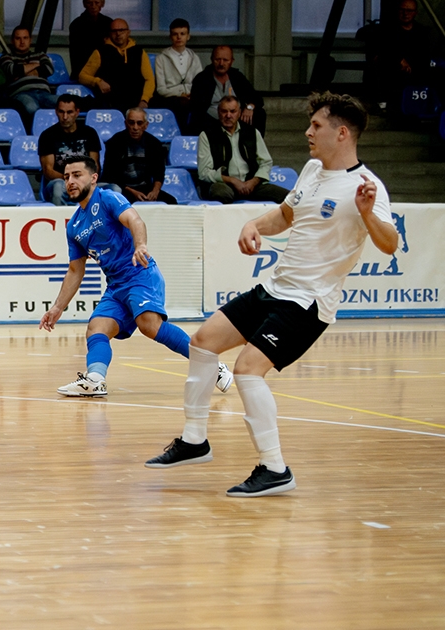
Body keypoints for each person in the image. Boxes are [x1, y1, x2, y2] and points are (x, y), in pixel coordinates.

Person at [144, 92, 397, 497]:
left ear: (342, 133)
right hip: (275, 288)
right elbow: (287, 213)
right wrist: (255, 224)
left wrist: (367, 214)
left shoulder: (367, 188)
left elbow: (389, 244)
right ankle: (194, 439)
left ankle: (274, 467)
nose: (308, 132)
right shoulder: (313, 170)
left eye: (316, 126)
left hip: (308, 302)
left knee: (246, 369)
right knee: (204, 341)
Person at [39, 155, 232, 398]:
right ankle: (95, 379)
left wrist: (140, 245)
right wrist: (57, 307)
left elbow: (134, 219)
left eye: (77, 175)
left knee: (149, 326)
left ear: (93, 177)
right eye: (66, 177)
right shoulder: (74, 225)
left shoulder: (107, 198)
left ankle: (212, 366)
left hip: (139, 273)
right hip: (116, 286)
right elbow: (76, 270)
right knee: (97, 327)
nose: (70, 181)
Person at [197, 95, 289, 204]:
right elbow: (204, 173)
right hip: (224, 184)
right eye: (224, 111)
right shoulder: (207, 135)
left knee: (287, 196)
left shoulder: (252, 132)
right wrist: (232, 180)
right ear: (218, 112)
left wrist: (253, 182)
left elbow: (266, 162)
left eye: (232, 111)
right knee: (221, 193)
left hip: (251, 185)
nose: (228, 115)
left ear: (239, 113)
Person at [362, 0, 437, 111]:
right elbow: (380, 52)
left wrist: (411, 65)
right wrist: (399, 60)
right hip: (392, 71)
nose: (405, 13)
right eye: (402, 10)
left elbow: (424, 54)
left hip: (415, 71)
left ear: (415, 13)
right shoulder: (386, 31)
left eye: (409, 10)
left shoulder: (422, 32)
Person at [38, 94, 112, 206]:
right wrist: (73, 180)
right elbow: (48, 171)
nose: (65, 117)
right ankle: (61, 221)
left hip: (85, 182)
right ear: (56, 112)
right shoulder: (47, 136)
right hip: (60, 181)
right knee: (58, 187)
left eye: (69, 112)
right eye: (61, 112)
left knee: (114, 189)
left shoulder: (89, 133)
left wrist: (84, 181)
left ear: (77, 112)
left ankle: (105, 223)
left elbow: (95, 165)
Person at [77, 18, 155, 113]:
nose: (118, 34)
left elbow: (149, 79)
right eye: (114, 31)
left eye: (121, 30)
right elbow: (82, 76)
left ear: (128, 32)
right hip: (110, 104)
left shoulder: (139, 52)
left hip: (136, 103)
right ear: (110, 33)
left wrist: (144, 100)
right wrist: (97, 81)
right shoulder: (100, 52)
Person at [102, 108, 177, 205]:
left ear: (146, 125)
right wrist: (132, 192)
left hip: (144, 188)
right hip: (122, 188)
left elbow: (159, 172)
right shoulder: (114, 143)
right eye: (131, 123)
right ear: (125, 124)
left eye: (139, 123)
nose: (135, 127)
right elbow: (110, 175)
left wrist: (155, 191)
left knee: (171, 201)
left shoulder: (154, 144)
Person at [190, 46, 266, 135]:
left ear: (232, 61)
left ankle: (254, 146)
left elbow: (257, 98)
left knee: (259, 113)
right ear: (211, 59)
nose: (221, 63)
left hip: (236, 118)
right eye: (217, 59)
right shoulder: (202, 79)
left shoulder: (236, 76)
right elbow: (196, 108)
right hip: (212, 120)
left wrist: (249, 107)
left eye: (225, 60)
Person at [0, 26, 58, 130]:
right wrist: (36, 65)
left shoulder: (40, 54)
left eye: (25, 38)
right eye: (18, 38)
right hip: (21, 93)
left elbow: (48, 69)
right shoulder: (6, 57)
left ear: (30, 40)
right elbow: (12, 70)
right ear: (12, 41)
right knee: (32, 107)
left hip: (44, 93)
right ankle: (38, 134)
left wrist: (23, 71)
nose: (22, 41)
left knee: (65, 104)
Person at [152, 18, 202, 130]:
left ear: (188, 36)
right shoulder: (161, 58)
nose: (179, 37)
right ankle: (181, 135)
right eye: (175, 34)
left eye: (182, 34)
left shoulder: (194, 58)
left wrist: (190, 94)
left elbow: (200, 85)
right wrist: (180, 93)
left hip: (191, 97)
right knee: (181, 104)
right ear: (170, 36)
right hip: (170, 98)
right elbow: (161, 89)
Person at [67, 0, 113, 76]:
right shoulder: (76, 25)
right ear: (84, 4)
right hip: (83, 70)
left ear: (102, 4)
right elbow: (76, 55)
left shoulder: (109, 23)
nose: (93, 6)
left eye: (97, 3)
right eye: (89, 3)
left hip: (105, 70)